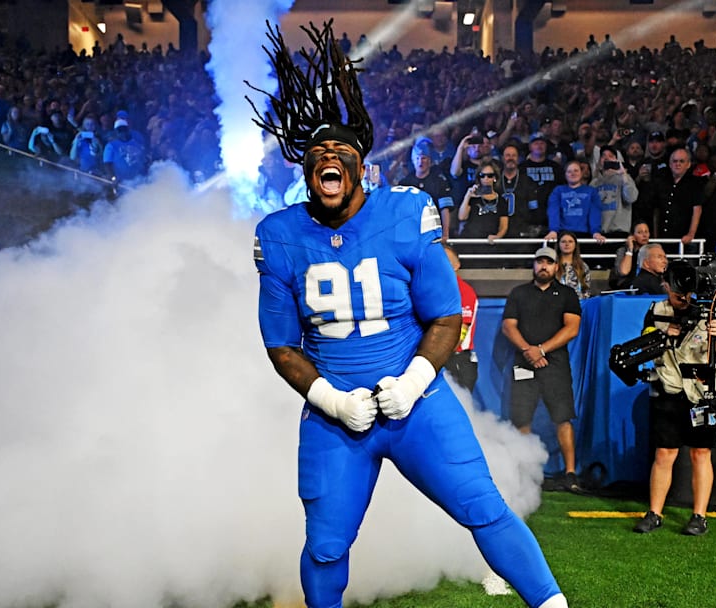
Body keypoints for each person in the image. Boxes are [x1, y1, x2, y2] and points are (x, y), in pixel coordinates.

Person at [248, 23, 568, 608]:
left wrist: (416, 379)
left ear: (359, 159)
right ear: (304, 167)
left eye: (337, 150)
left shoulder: (406, 211)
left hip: (416, 401)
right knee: (325, 544)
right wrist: (331, 400)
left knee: (483, 507)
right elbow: (281, 345)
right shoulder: (280, 233)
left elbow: (445, 317)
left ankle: (552, 605)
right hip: (336, 416)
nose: (326, 158)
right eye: (315, 153)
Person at [633, 265, 716, 536]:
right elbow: (645, 341)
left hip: (703, 392)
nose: (682, 296)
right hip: (670, 388)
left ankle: (699, 516)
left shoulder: (711, 311)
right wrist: (665, 336)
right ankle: (654, 513)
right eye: (676, 290)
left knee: (701, 453)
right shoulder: (656, 310)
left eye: (686, 291)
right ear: (666, 286)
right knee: (664, 452)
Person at [501, 246, 582, 491]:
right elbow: (508, 326)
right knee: (521, 418)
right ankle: (525, 473)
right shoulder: (519, 293)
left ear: (557, 266)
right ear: (533, 265)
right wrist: (529, 351)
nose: (543, 266)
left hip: (555, 365)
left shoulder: (567, 294)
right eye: (539, 262)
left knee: (563, 418)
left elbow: (572, 328)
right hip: (524, 363)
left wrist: (542, 350)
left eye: (549, 262)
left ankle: (570, 474)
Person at [398, 137, 456, 236]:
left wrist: (445, 234)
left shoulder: (440, 182)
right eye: (417, 158)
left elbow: (445, 210)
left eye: (424, 158)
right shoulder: (405, 183)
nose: (420, 161)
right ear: (413, 161)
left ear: (429, 161)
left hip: (433, 230)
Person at [443, 244, 479, 393]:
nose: (441, 264)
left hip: (458, 360)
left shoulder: (464, 291)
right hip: (439, 357)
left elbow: (460, 332)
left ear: (456, 265)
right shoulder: (431, 289)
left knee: (459, 408)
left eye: (446, 260)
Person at [544, 161, 604, 244]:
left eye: (576, 170)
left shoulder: (591, 191)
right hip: (563, 234)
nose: (573, 173)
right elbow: (553, 211)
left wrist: (595, 231)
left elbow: (595, 212)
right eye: (569, 171)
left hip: (584, 234)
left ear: (581, 173)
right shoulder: (558, 191)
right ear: (565, 175)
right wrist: (553, 230)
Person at [458, 161, 509, 244]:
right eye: (482, 175)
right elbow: (462, 217)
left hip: (490, 242)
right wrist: (467, 196)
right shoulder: (473, 197)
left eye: (490, 176)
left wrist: (498, 236)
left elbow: (504, 226)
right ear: (479, 178)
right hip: (471, 241)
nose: (486, 178)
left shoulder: (501, 200)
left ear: (494, 178)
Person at [609, 221, 650, 290]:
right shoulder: (622, 250)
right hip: (626, 285)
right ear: (632, 236)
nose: (644, 235)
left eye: (646, 232)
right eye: (640, 232)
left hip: (646, 285)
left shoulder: (653, 250)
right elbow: (623, 272)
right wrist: (630, 249)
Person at [554, 232, 591, 300]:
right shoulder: (552, 265)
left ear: (575, 245)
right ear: (558, 244)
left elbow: (586, 291)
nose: (567, 244)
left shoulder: (583, 266)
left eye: (570, 241)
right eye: (563, 241)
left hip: (578, 305)